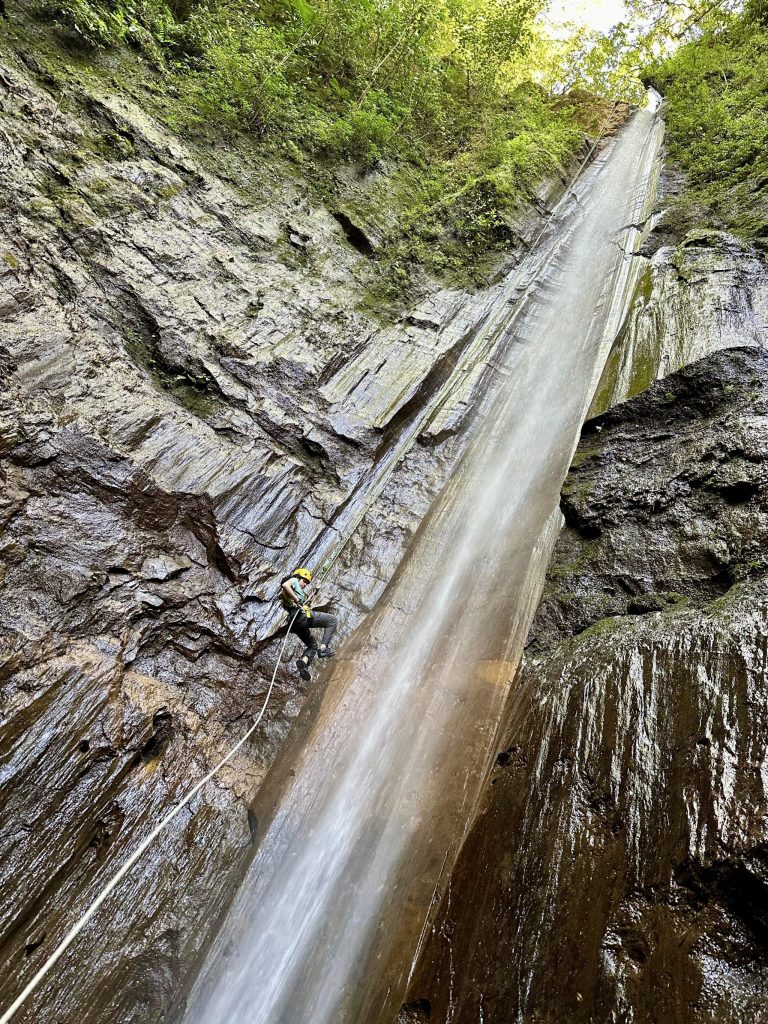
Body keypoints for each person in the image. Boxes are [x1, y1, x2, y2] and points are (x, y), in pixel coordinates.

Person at [280, 567, 338, 680]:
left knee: (312, 646)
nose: (305, 584)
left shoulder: (297, 592)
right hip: (302, 617)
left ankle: (303, 664)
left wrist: (314, 591)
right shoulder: (294, 580)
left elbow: (300, 599)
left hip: (296, 624)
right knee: (332, 620)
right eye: (304, 580)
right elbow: (285, 586)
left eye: (307, 582)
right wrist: (297, 599)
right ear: (298, 577)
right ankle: (324, 648)